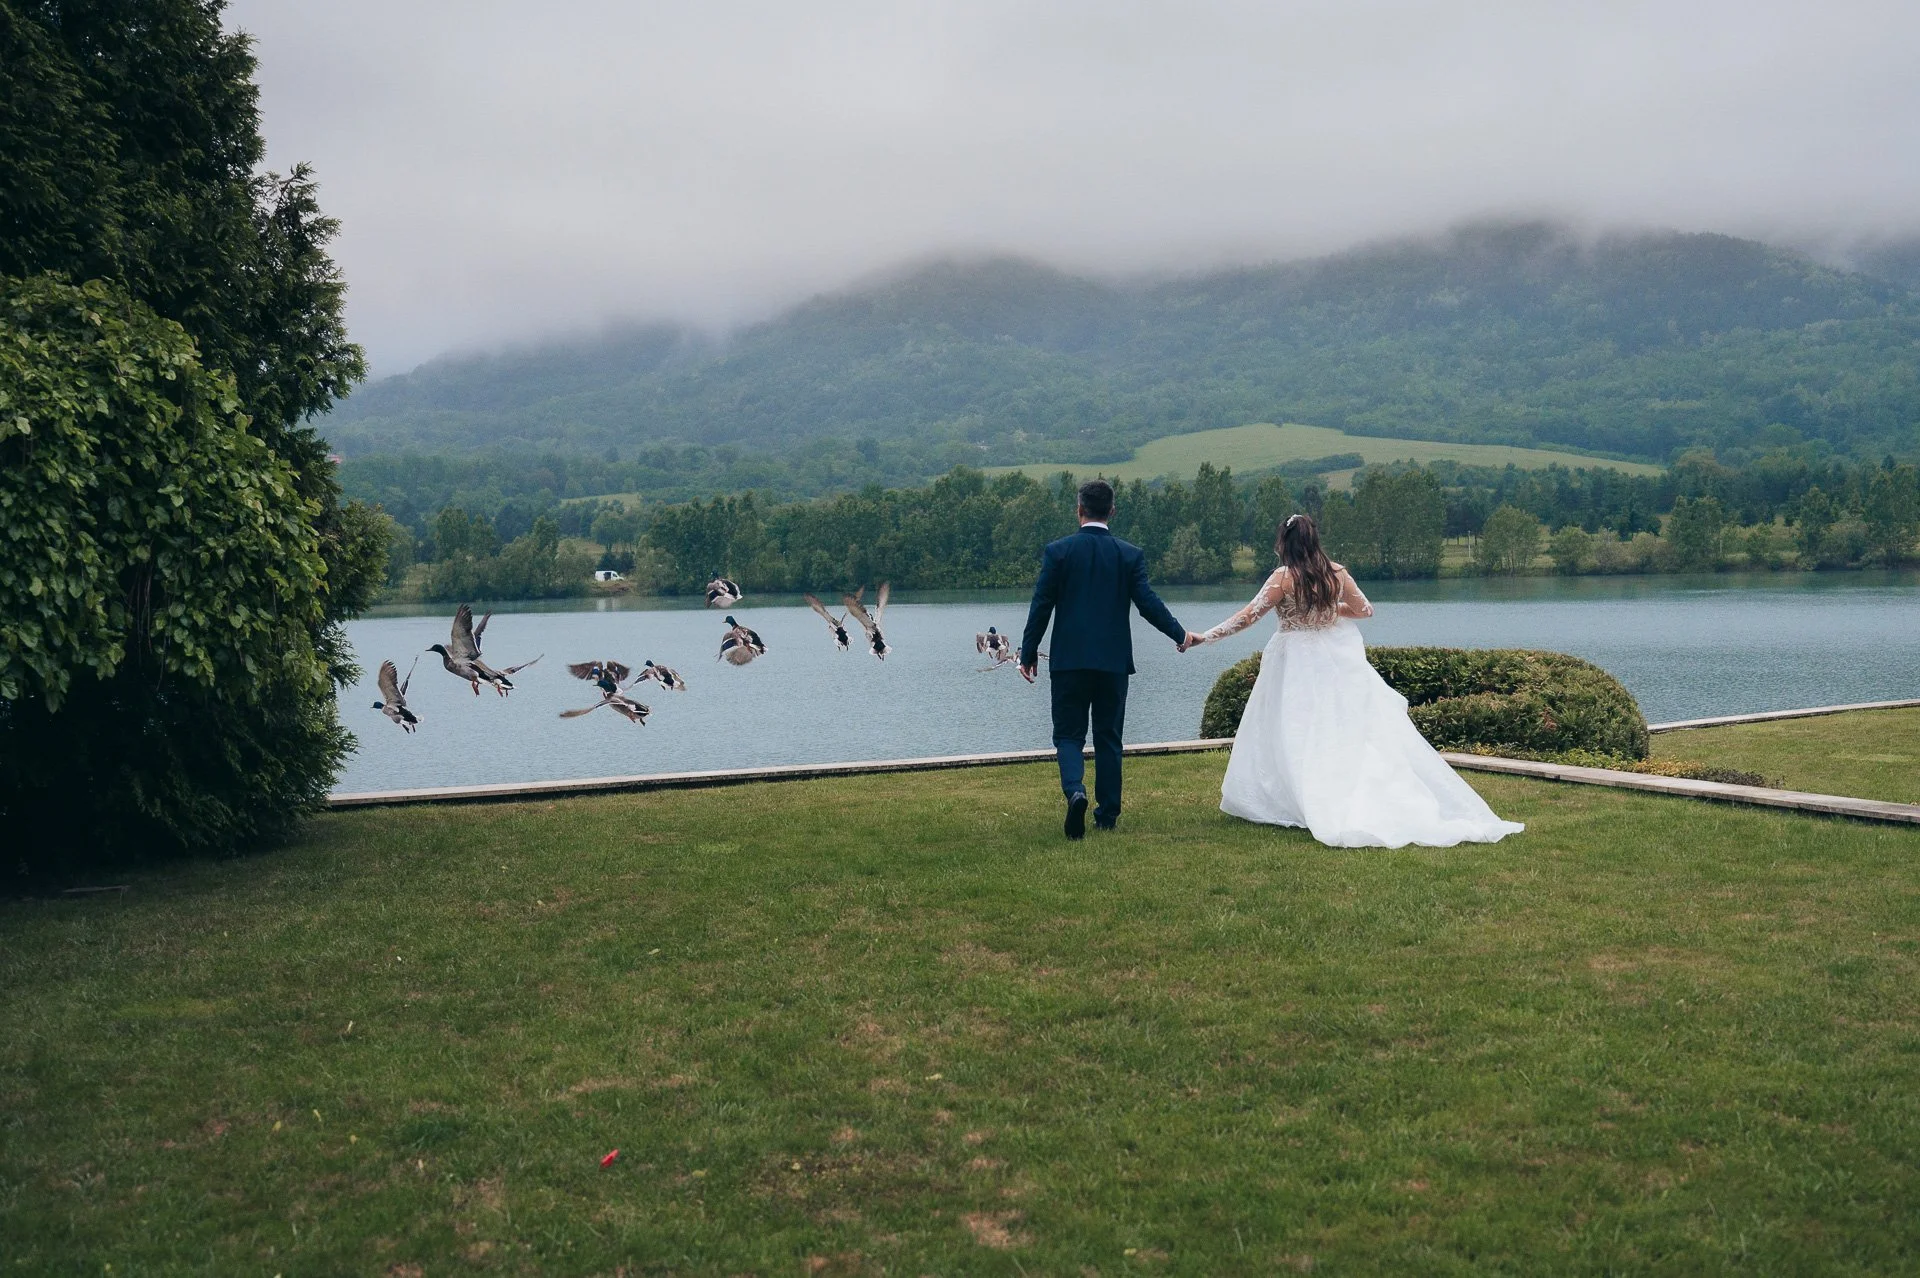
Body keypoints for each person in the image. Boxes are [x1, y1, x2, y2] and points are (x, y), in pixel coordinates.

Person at [1185, 513, 1524, 848]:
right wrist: (1330, 610)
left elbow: (1248, 616)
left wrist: (1206, 637)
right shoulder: (1336, 573)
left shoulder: (1283, 579)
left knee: (1294, 727)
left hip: (1294, 659)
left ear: (1285, 544)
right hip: (1332, 657)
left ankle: (1301, 799)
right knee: (1341, 728)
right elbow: (1365, 610)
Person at [1020, 479, 1190, 839]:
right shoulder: (1129, 555)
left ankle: (1075, 791)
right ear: (1112, 511)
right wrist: (1180, 634)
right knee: (1109, 738)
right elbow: (1148, 604)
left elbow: (1041, 606)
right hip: (1113, 664)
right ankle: (1107, 815)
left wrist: (1030, 652)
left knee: (1068, 735)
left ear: (1079, 509)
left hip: (1069, 661)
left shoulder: (1058, 552)